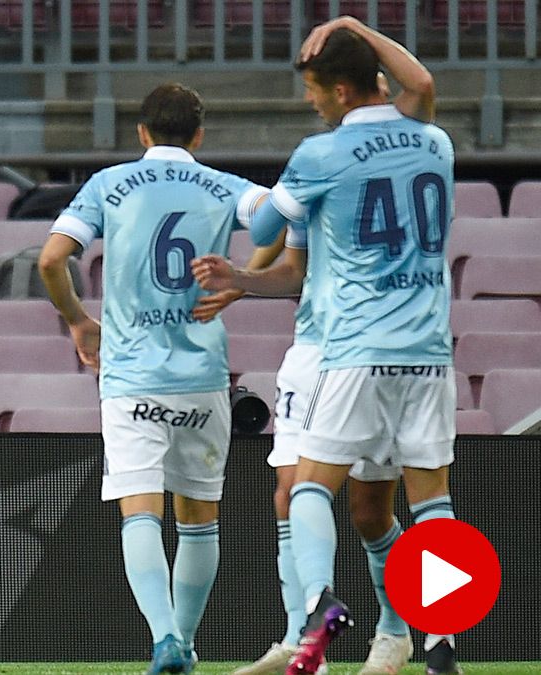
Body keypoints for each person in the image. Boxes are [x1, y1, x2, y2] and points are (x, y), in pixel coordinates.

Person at [195, 22, 458, 675]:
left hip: (355, 348)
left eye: (314, 89)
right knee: (432, 502)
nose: (311, 102)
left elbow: (262, 222)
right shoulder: (435, 139)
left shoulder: (320, 157)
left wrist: (259, 223)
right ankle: (441, 638)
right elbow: (421, 82)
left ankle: (318, 608)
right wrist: (248, 283)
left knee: (308, 488)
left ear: (340, 88)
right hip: (428, 351)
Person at [37, 82, 271, 674]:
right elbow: (284, 224)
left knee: (140, 510)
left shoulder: (109, 184)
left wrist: (78, 321)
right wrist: (242, 280)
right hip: (203, 375)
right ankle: (186, 645)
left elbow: (49, 259)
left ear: (141, 133)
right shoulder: (226, 186)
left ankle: (164, 639)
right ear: (198, 135)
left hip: (133, 375)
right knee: (199, 517)